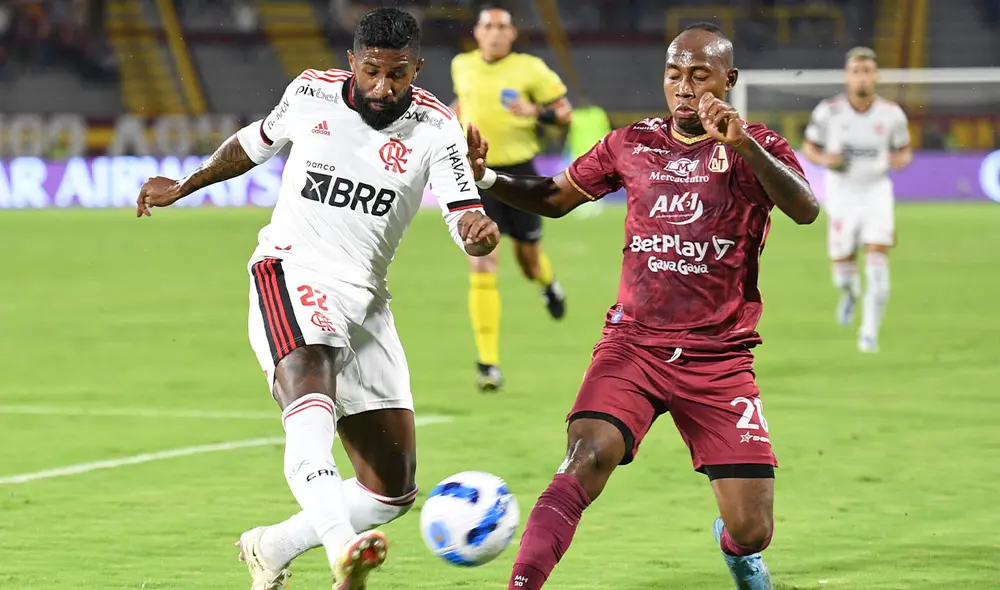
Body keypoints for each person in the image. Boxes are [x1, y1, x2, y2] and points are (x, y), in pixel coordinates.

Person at [135, 8, 499, 590]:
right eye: (373, 71)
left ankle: (271, 547)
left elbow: (463, 212)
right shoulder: (310, 92)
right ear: (352, 62)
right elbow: (252, 145)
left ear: (418, 69)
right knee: (310, 394)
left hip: (366, 302)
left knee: (391, 488)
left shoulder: (438, 128)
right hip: (290, 270)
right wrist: (185, 185)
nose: (384, 88)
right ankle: (342, 554)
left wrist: (476, 229)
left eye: (399, 75)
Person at [465, 22, 819, 590]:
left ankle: (737, 553)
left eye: (698, 77)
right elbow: (555, 197)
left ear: (727, 81)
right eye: (673, 75)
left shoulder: (758, 145)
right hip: (633, 346)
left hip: (719, 358)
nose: (683, 88)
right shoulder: (632, 143)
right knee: (584, 459)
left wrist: (744, 146)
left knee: (751, 528)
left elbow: (805, 210)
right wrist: (486, 177)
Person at [451, 5, 573, 391]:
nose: (495, 32)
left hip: (520, 175)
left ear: (512, 34)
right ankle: (488, 363)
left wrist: (534, 111)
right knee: (483, 263)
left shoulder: (531, 69)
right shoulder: (462, 65)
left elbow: (565, 114)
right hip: (476, 176)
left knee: (528, 260)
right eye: (489, 26)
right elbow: (462, 105)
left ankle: (548, 283)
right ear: (478, 32)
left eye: (503, 26)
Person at [802, 47, 912, 353]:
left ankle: (869, 332)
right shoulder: (829, 111)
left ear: (875, 76)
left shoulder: (891, 114)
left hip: (876, 192)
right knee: (843, 269)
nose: (862, 77)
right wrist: (826, 159)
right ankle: (849, 295)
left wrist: (897, 160)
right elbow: (809, 147)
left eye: (867, 71)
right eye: (856, 71)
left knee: (877, 259)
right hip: (841, 194)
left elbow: (904, 150)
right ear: (847, 76)